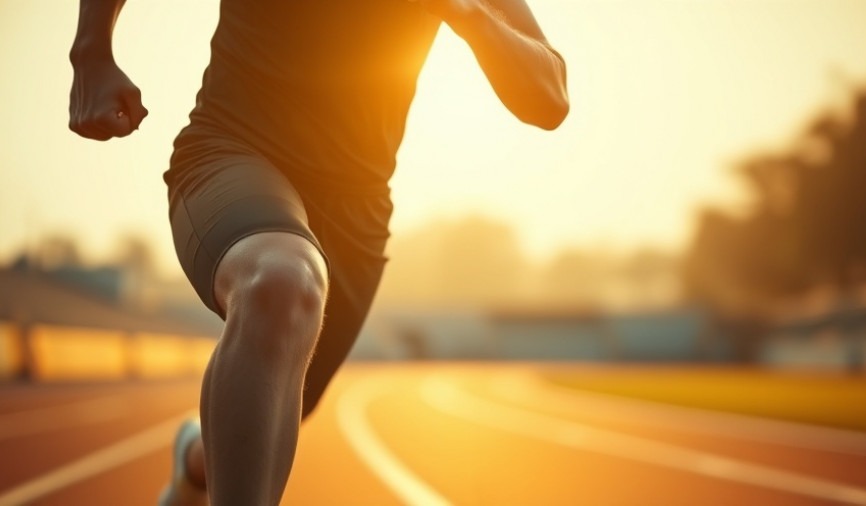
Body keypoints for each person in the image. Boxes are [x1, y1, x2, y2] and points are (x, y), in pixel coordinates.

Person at [68, 0, 568, 504]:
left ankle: (194, 463)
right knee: (281, 281)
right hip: (235, 151)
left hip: (357, 215)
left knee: (268, 411)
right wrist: (91, 50)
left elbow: (549, 98)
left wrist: (467, 12)